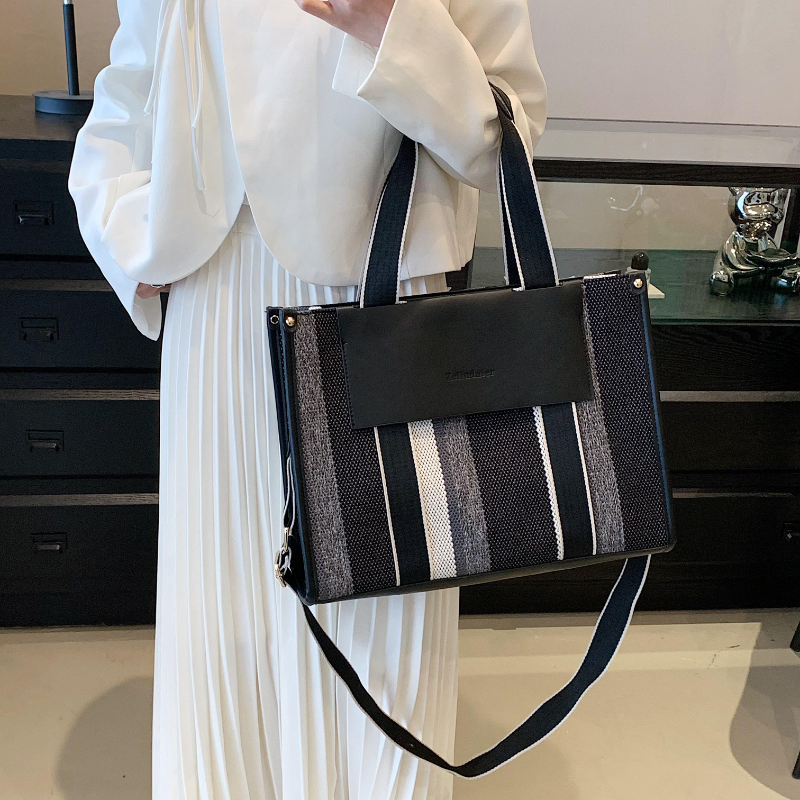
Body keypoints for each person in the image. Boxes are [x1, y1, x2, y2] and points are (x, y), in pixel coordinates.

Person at [68, 0, 547, 796]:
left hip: (383, 304)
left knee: (382, 652)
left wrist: (392, 28)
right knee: (224, 633)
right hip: (215, 306)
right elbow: (129, 91)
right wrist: (127, 235)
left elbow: (508, 138)